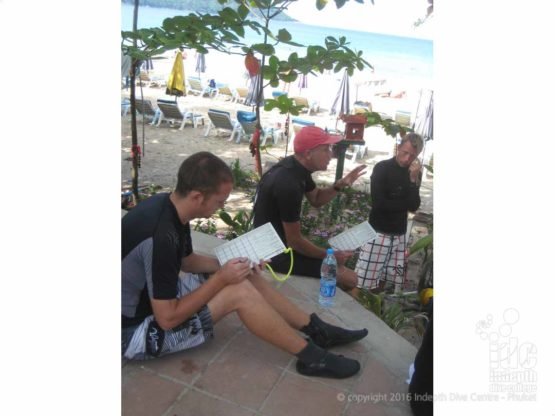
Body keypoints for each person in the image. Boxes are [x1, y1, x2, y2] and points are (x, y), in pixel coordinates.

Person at [121, 151, 368, 379]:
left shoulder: (170, 207)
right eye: (220, 201)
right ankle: (313, 359)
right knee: (238, 292)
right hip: (135, 333)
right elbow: (168, 318)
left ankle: (317, 330)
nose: (222, 206)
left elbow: (188, 261)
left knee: (242, 273)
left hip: (152, 304)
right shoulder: (160, 237)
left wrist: (233, 265)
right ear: (197, 196)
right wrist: (222, 278)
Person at [252, 126, 367, 289]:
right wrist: (330, 255)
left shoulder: (295, 167)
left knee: (343, 273)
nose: (331, 155)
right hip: (273, 255)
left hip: (277, 245)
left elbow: (317, 199)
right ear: (308, 154)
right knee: (350, 279)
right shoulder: (288, 184)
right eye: (326, 149)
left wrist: (339, 185)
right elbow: (295, 242)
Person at [354, 133, 424, 292]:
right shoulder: (383, 168)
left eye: (412, 156)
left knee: (387, 280)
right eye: (405, 153)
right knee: (363, 280)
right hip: (378, 232)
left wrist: (413, 180)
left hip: (399, 234)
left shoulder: (414, 173)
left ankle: (375, 308)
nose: (407, 159)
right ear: (398, 148)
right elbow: (379, 204)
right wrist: (404, 204)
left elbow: (414, 205)